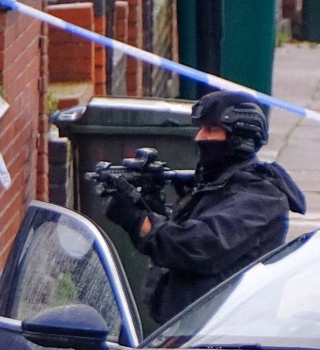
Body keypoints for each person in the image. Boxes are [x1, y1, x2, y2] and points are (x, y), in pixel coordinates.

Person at [104, 89, 307, 324]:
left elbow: (198, 246)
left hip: (229, 334)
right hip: (190, 330)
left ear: (239, 137)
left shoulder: (260, 196)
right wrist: (151, 209)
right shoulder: (215, 185)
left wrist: (138, 221)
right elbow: (178, 245)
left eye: (211, 130)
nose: (200, 138)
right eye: (200, 129)